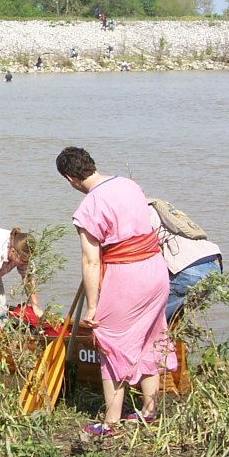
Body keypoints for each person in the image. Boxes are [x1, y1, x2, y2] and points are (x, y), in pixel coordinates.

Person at [55, 146, 176, 436]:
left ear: (70, 179)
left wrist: (93, 306)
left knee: (110, 343)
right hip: (155, 269)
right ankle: (149, 412)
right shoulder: (128, 184)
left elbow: (91, 260)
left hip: (127, 275)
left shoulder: (88, 207)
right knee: (150, 337)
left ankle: (110, 422)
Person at [149, 204, 222, 322]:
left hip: (188, 268)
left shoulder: (139, 212)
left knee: (153, 323)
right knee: (175, 320)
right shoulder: (163, 207)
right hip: (214, 264)